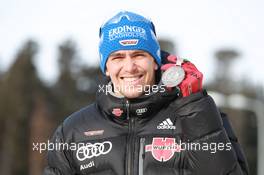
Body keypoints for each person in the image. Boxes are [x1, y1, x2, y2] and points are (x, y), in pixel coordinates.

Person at [43, 11, 249, 175]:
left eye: (139, 55)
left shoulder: (199, 113)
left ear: (155, 61)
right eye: (117, 57)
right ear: (106, 67)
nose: (130, 67)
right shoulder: (72, 130)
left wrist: (193, 108)